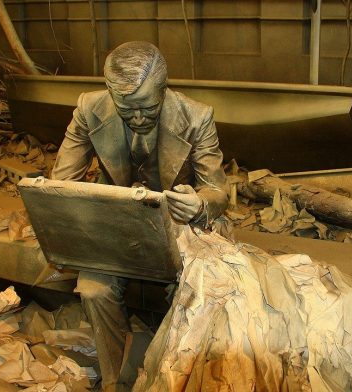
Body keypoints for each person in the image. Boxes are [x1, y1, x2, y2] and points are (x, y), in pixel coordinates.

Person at [50, 41, 229, 388]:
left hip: (179, 225)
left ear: (163, 89)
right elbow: (62, 182)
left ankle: (171, 376)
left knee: (191, 291)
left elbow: (217, 190)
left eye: (147, 107)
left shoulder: (196, 115)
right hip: (115, 222)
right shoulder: (89, 108)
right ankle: (118, 380)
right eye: (125, 108)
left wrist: (201, 204)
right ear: (109, 92)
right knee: (92, 289)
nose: (136, 118)